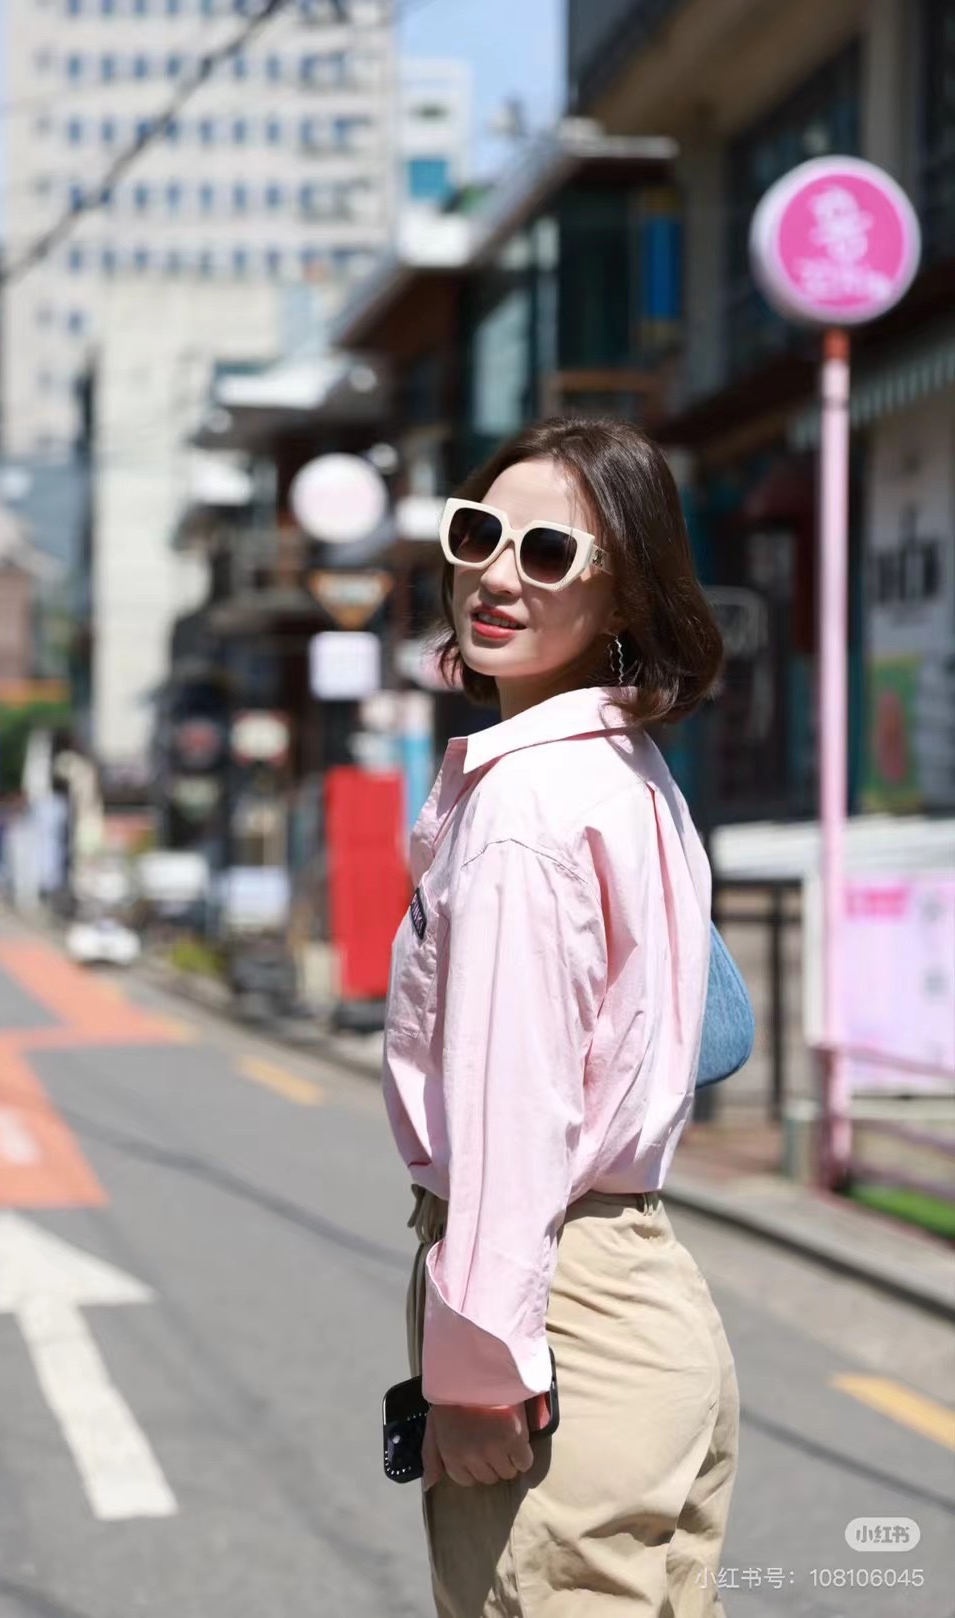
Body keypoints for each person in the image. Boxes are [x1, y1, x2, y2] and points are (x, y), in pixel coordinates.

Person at [381, 417, 740, 1616]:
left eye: (547, 554)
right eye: (479, 534)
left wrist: (481, 1368)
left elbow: (515, 1105)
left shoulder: (524, 804)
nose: (496, 575)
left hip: (557, 1311)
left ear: (624, 591)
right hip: (653, 1305)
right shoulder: (631, 771)